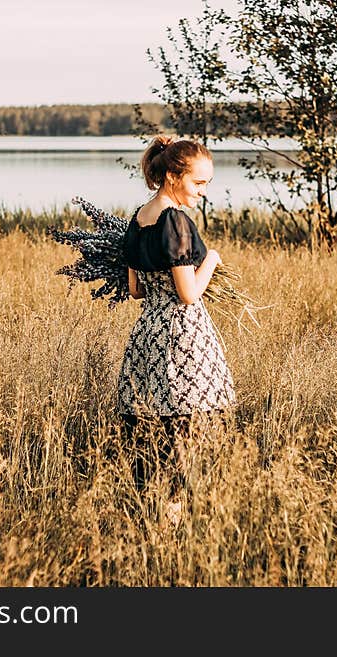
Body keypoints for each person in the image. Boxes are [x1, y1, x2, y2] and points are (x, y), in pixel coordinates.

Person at [116, 135, 235, 522]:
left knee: (155, 428)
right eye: (198, 183)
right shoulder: (174, 220)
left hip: (147, 334)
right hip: (182, 335)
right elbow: (188, 293)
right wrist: (212, 260)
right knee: (187, 429)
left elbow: (135, 289)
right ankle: (174, 516)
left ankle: (153, 511)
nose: (202, 193)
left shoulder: (138, 218)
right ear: (172, 175)